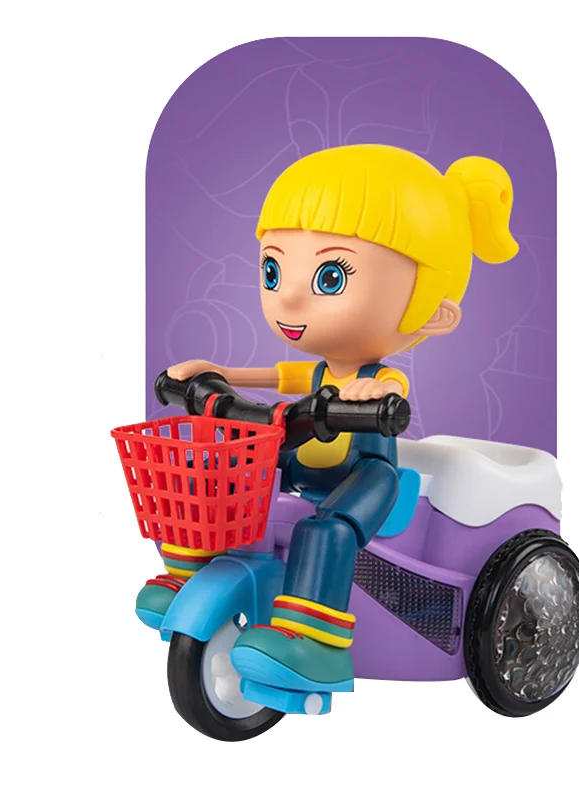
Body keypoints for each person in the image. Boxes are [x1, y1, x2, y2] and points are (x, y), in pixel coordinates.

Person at [137, 143, 519, 689]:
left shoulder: (379, 381)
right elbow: (272, 376)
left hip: (365, 478)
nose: (289, 298)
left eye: (331, 278)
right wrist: (215, 373)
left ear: (434, 313)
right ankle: (186, 575)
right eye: (273, 270)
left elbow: (390, 392)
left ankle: (317, 646)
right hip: (300, 465)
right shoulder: (316, 372)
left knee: (327, 531)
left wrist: (370, 393)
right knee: (214, 480)